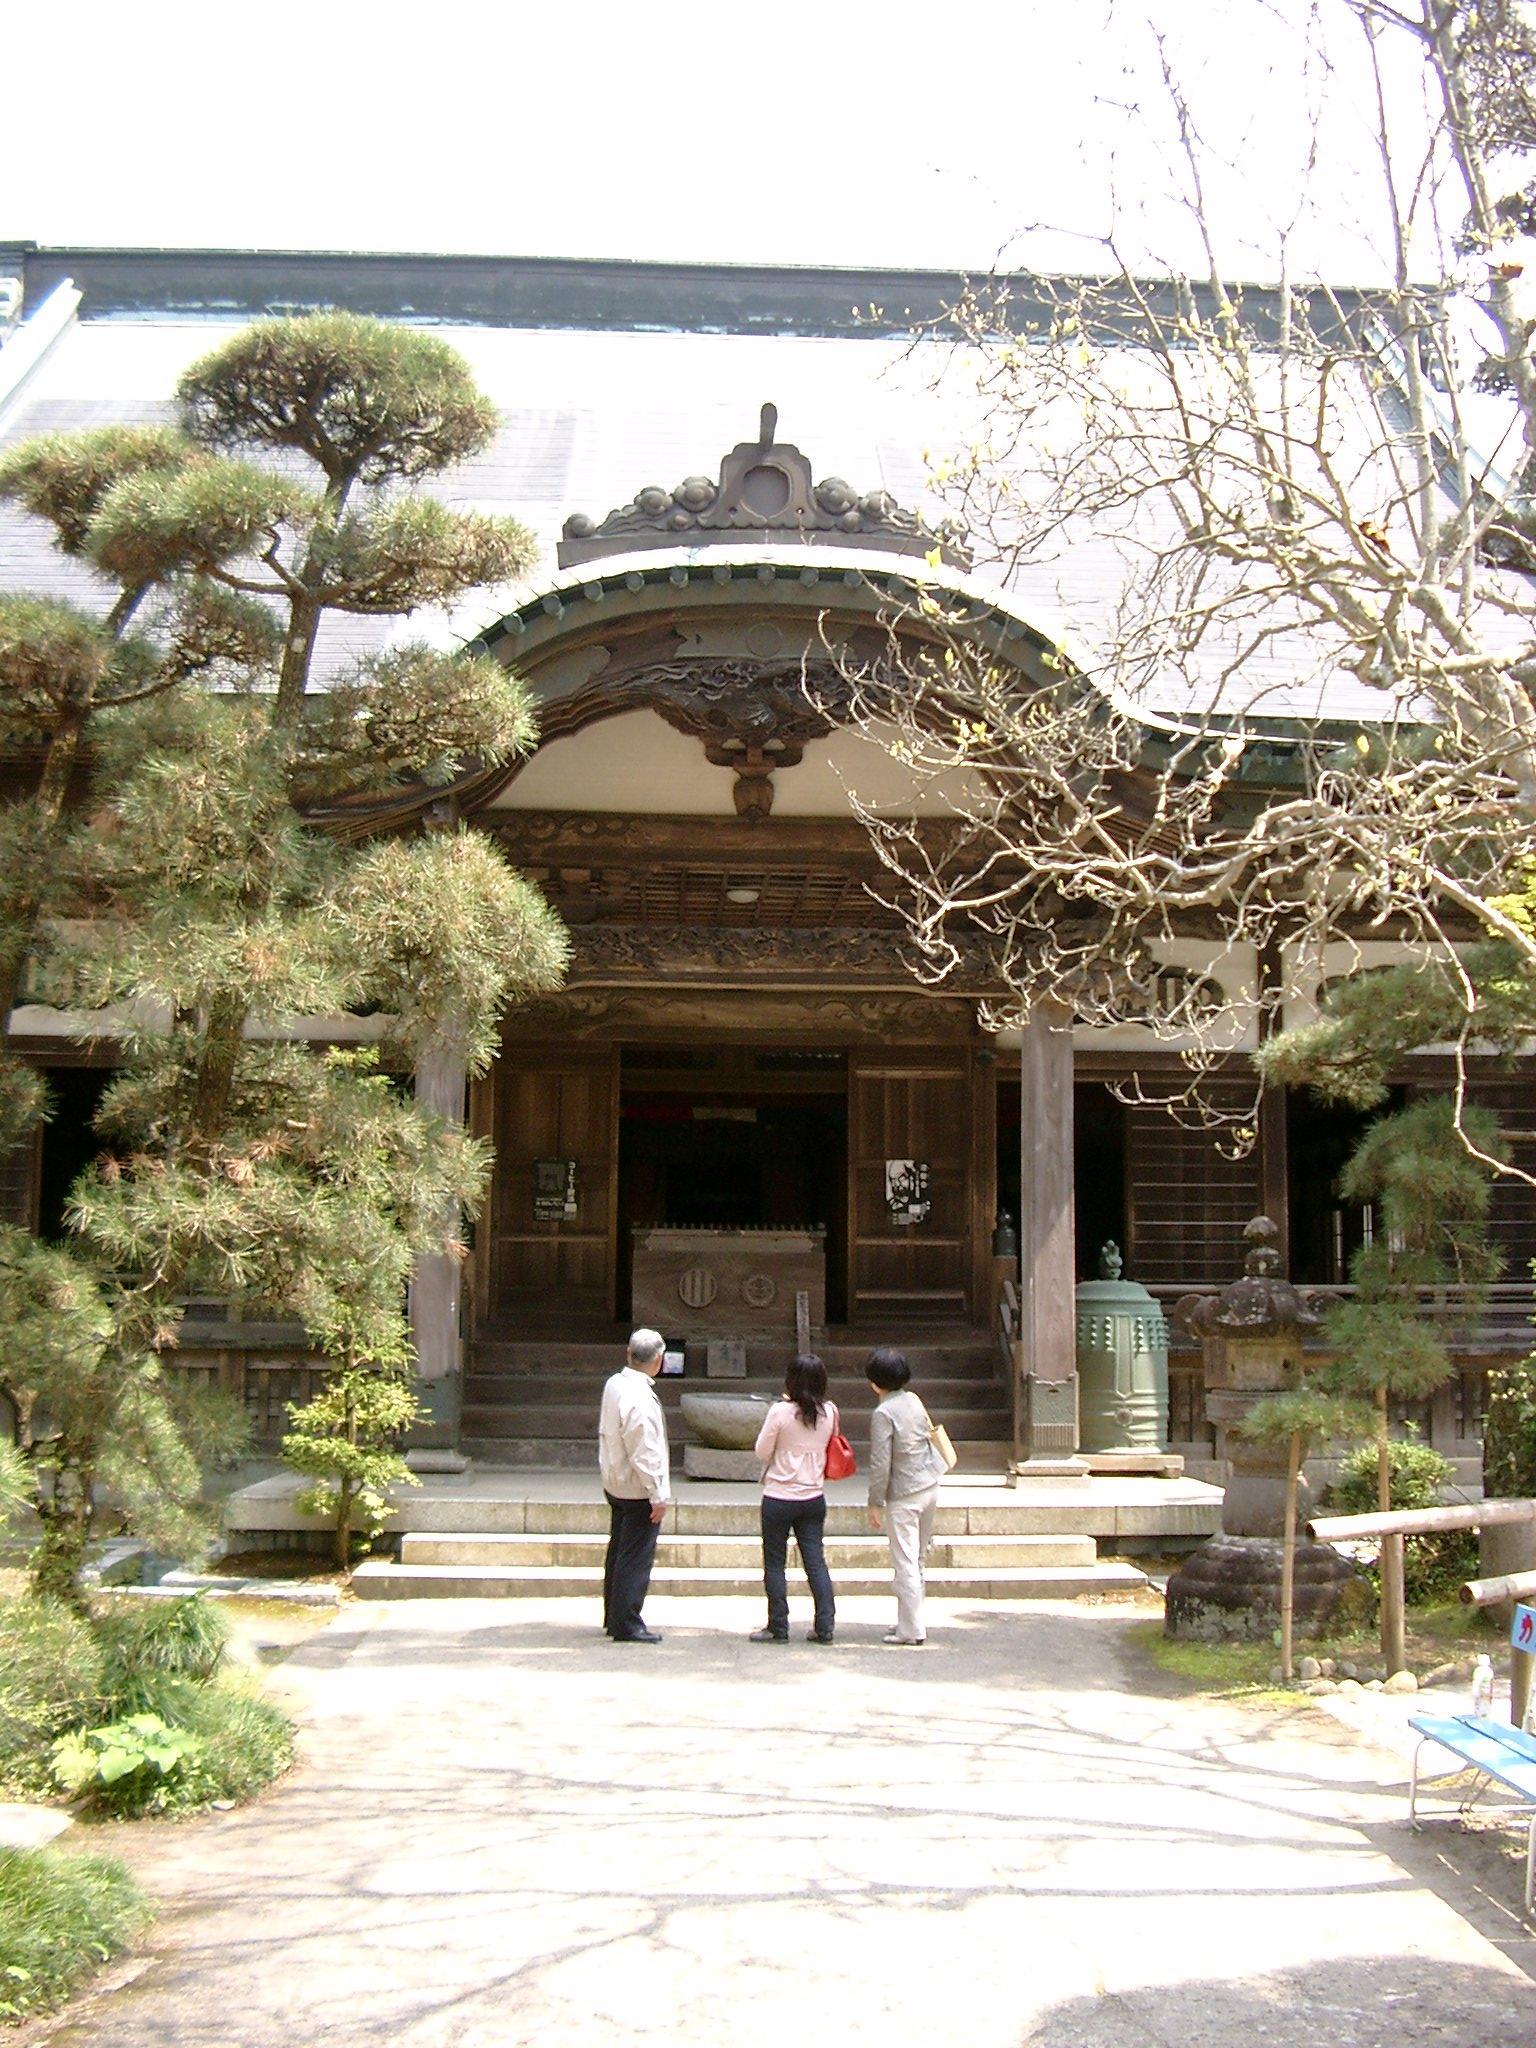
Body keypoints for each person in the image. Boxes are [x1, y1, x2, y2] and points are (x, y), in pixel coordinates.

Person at [749, 1353, 837, 1644]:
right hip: (813, 1496)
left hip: (779, 1496)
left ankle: (778, 1625)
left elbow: (762, 1451)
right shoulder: (830, 1412)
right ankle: (825, 1624)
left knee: (775, 1563)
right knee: (815, 1561)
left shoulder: (780, 1412)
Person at [865, 1346, 945, 1646]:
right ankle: (910, 1621)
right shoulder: (913, 1399)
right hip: (929, 1483)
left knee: (905, 1562)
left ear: (875, 1383)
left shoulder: (883, 1413)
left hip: (904, 1493)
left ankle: (911, 1629)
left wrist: (875, 1501)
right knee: (917, 1559)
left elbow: (880, 1462)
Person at [598, 1328, 671, 1643]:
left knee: (620, 1550)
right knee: (634, 1556)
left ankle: (614, 1616)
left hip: (615, 1480)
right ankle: (627, 1622)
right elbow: (644, 1450)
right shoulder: (638, 1397)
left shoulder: (615, 1384)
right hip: (636, 1486)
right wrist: (657, 1492)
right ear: (658, 1360)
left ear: (629, 1354)